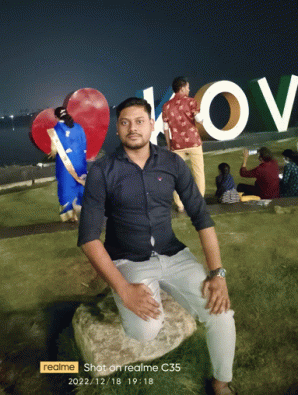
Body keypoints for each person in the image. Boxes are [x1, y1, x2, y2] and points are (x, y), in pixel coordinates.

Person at [78, 97, 237, 395]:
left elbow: (201, 217)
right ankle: (124, 293)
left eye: (139, 121)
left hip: (174, 254)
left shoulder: (172, 162)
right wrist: (124, 290)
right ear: (117, 129)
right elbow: (88, 238)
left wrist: (217, 273)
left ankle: (221, 383)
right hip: (128, 259)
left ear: (152, 125)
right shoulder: (102, 171)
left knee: (221, 313)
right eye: (125, 122)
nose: (132, 128)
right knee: (145, 330)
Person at [162, 76, 205, 212]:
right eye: (187, 87)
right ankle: (198, 202)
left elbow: (165, 129)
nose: (189, 89)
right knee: (198, 173)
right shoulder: (192, 102)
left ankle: (180, 205)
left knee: (178, 176)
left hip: (177, 146)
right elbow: (199, 119)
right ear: (182, 88)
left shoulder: (166, 106)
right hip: (193, 143)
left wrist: (169, 146)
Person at [49, 107, 87, 222]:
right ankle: (82, 212)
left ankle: (71, 216)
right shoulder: (78, 126)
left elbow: (54, 150)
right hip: (80, 162)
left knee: (66, 187)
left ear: (56, 117)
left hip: (65, 165)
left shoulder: (55, 130)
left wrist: (51, 153)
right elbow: (84, 143)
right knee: (80, 184)